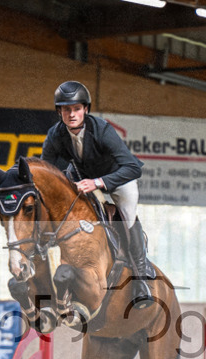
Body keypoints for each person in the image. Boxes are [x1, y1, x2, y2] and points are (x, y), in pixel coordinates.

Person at [41, 80, 154, 307]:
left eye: (76, 109)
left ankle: (142, 276)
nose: (71, 114)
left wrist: (99, 182)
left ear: (85, 110)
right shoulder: (56, 134)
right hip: (85, 181)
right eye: (66, 110)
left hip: (118, 180)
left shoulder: (102, 130)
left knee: (127, 217)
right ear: (59, 112)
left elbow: (132, 167)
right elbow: (46, 171)